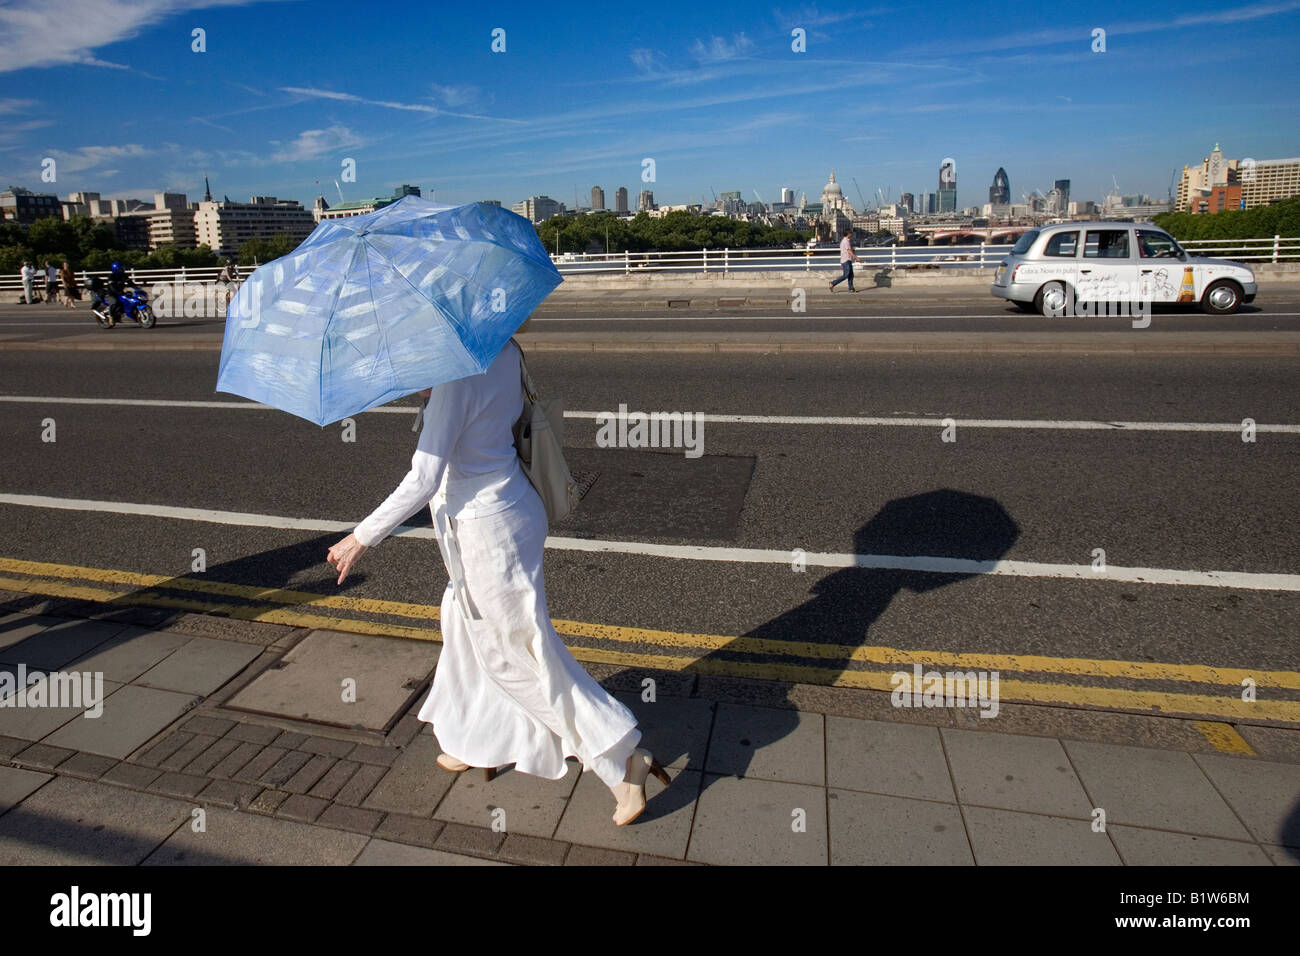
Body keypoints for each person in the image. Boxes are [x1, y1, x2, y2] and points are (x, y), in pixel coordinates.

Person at [326, 340, 670, 826]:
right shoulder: (500, 346)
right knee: (464, 625)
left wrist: (359, 538)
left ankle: (620, 764)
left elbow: (424, 476)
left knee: (516, 658)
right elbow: (485, 416)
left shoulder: (452, 376)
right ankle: (475, 736)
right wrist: (433, 393)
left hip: (487, 529)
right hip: (507, 507)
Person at [829, 228, 861, 292]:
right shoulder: (845, 241)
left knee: (851, 275)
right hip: (846, 260)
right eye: (851, 233)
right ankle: (833, 283)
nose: (851, 234)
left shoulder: (846, 240)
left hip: (847, 260)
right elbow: (849, 251)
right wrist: (856, 258)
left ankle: (851, 288)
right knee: (846, 275)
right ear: (848, 234)